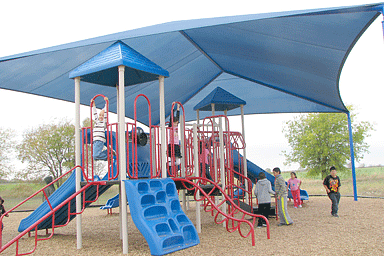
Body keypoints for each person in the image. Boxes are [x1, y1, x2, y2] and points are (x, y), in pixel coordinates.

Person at [167, 103, 182, 175]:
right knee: (173, 160)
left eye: (177, 123)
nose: (176, 124)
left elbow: (177, 117)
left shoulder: (176, 127)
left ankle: (169, 165)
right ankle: (168, 165)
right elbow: (171, 117)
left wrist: (178, 108)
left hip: (176, 145)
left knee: (178, 162)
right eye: (175, 123)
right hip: (171, 144)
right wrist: (173, 107)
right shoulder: (171, 126)